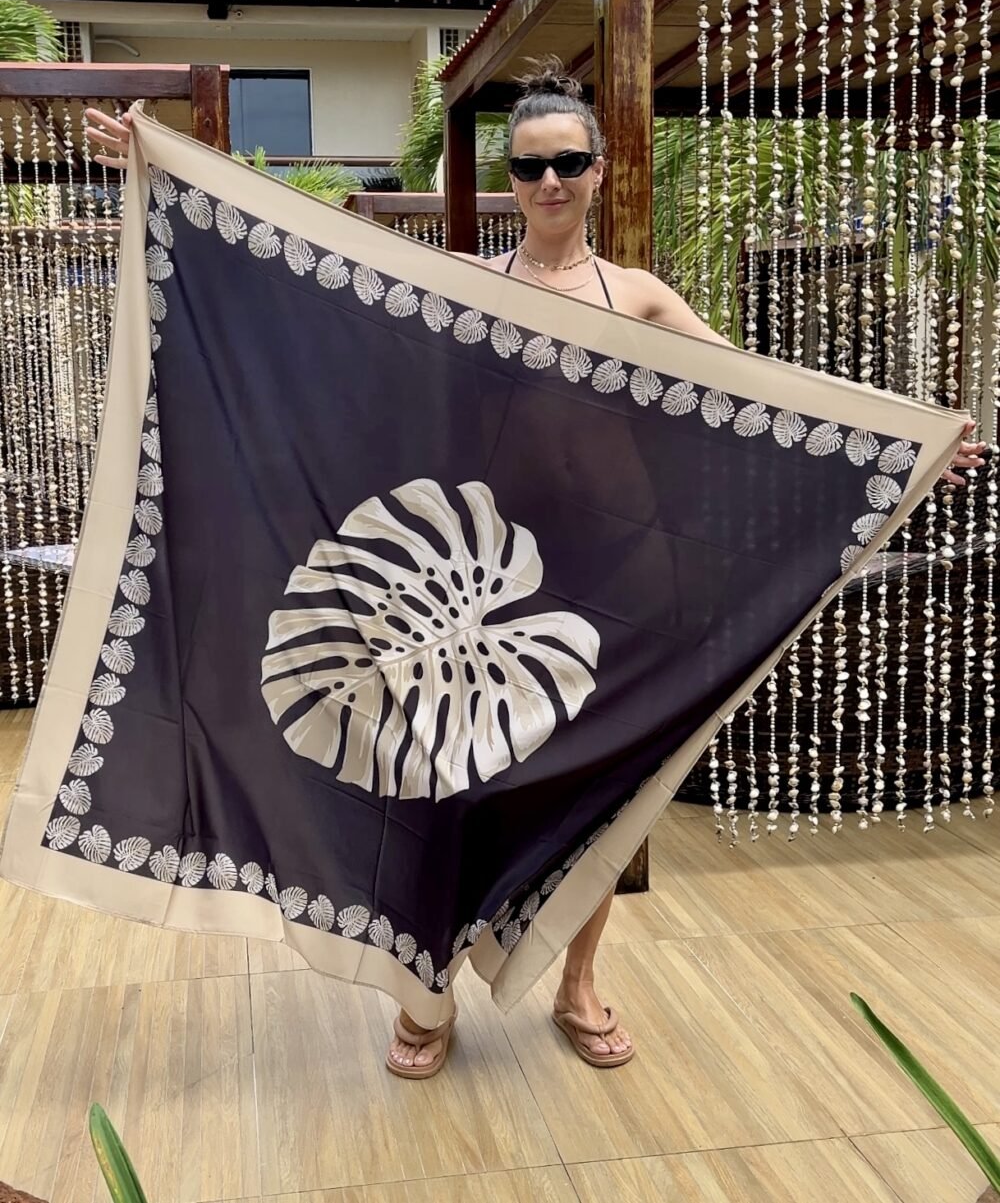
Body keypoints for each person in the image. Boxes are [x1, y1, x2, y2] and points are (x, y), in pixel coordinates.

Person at [84, 58, 985, 1079]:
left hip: (620, 578)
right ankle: (425, 988)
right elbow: (316, 296)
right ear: (509, 180)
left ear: (598, 171)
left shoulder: (639, 298)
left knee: (601, 793)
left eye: (567, 162)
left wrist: (912, 442)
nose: (548, 181)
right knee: (439, 782)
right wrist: (166, 164)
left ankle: (577, 983)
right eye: (528, 167)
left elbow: (764, 396)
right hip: (482, 568)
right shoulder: (468, 293)